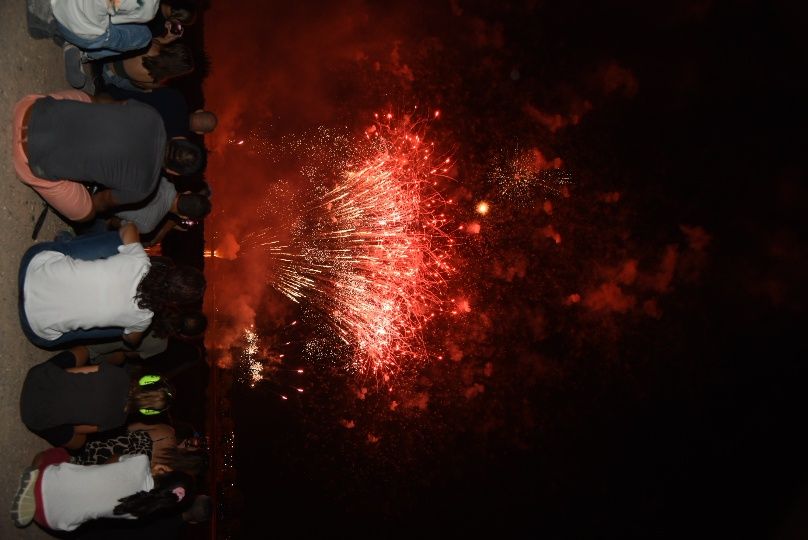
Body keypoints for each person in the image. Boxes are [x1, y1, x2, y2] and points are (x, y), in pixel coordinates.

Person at [12, 89, 204, 222]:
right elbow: (101, 203)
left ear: (178, 137)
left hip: (30, 107)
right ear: (174, 172)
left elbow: (103, 101)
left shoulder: (152, 115)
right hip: (27, 159)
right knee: (86, 214)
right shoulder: (144, 189)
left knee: (91, 101)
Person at [19, 223, 206, 349]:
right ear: (175, 301)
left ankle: (67, 242)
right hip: (36, 328)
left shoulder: (139, 261)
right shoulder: (143, 318)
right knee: (121, 328)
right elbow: (131, 341)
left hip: (32, 269)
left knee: (119, 241)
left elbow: (129, 227)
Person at [19, 346, 174, 448]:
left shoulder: (118, 374)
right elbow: (77, 428)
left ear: (146, 380)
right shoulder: (117, 421)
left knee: (83, 352)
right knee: (80, 442)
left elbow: (70, 373)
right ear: (147, 412)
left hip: (37, 380)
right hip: (35, 417)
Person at [10, 448, 194, 531]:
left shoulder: (141, 462)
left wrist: (152, 469)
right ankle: (34, 500)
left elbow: (110, 460)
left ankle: (34, 482)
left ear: (165, 471)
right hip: (53, 521)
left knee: (56, 454)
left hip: (48, 482)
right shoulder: (138, 514)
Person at [53, 0, 161, 87]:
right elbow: (114, 20)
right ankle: (82, 51)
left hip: (58, 5)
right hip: (77, 29)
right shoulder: (149, 8)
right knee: (144, 37)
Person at [85, 310, 208, 365]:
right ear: (185, 336)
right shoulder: (160, 345)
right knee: (119, 358)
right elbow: (129, 354)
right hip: (90, 347)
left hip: (88, 320)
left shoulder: (155, 303)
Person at [107, 177, 211, 237]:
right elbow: (115, 222)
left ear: (187, 192)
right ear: (184, 217)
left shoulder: (161, 177)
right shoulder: (148, 225)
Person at [99, 86, 217, 137]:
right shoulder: (176, 142)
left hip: (112, 98)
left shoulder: (176, 97)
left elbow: (144, 89)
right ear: (199, 132)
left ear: (199, 111)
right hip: (113, 131)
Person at [101, 40, 194, 92]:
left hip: (104, 54)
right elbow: (135, 85)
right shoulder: (155, 80)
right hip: (108, 75)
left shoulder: (154, 44)